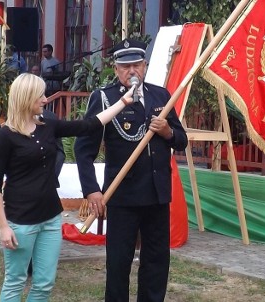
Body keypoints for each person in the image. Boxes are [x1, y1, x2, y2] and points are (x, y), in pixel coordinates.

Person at [0, 73, 133, 301]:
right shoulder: (4, 137)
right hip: (21, 221)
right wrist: (4, 226)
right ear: (26, 98)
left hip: (51, 218)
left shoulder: (48, 125)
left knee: (45, 283)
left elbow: (89, 125)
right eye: (40, 96)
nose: (45, 99)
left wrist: (122, 103)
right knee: (15, 281)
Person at [74, 38, 188, 301]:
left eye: (136, 64)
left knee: (157, 260)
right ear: (116, 69)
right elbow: (84, 149)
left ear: (145, 66)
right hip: (122, 195)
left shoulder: (161, 95)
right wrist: (91, 190)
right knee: (119, 261)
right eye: (125, 66)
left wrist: (168, 131)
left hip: (157, 194)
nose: (131, 71)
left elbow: (181, 140)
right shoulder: (104, 98)